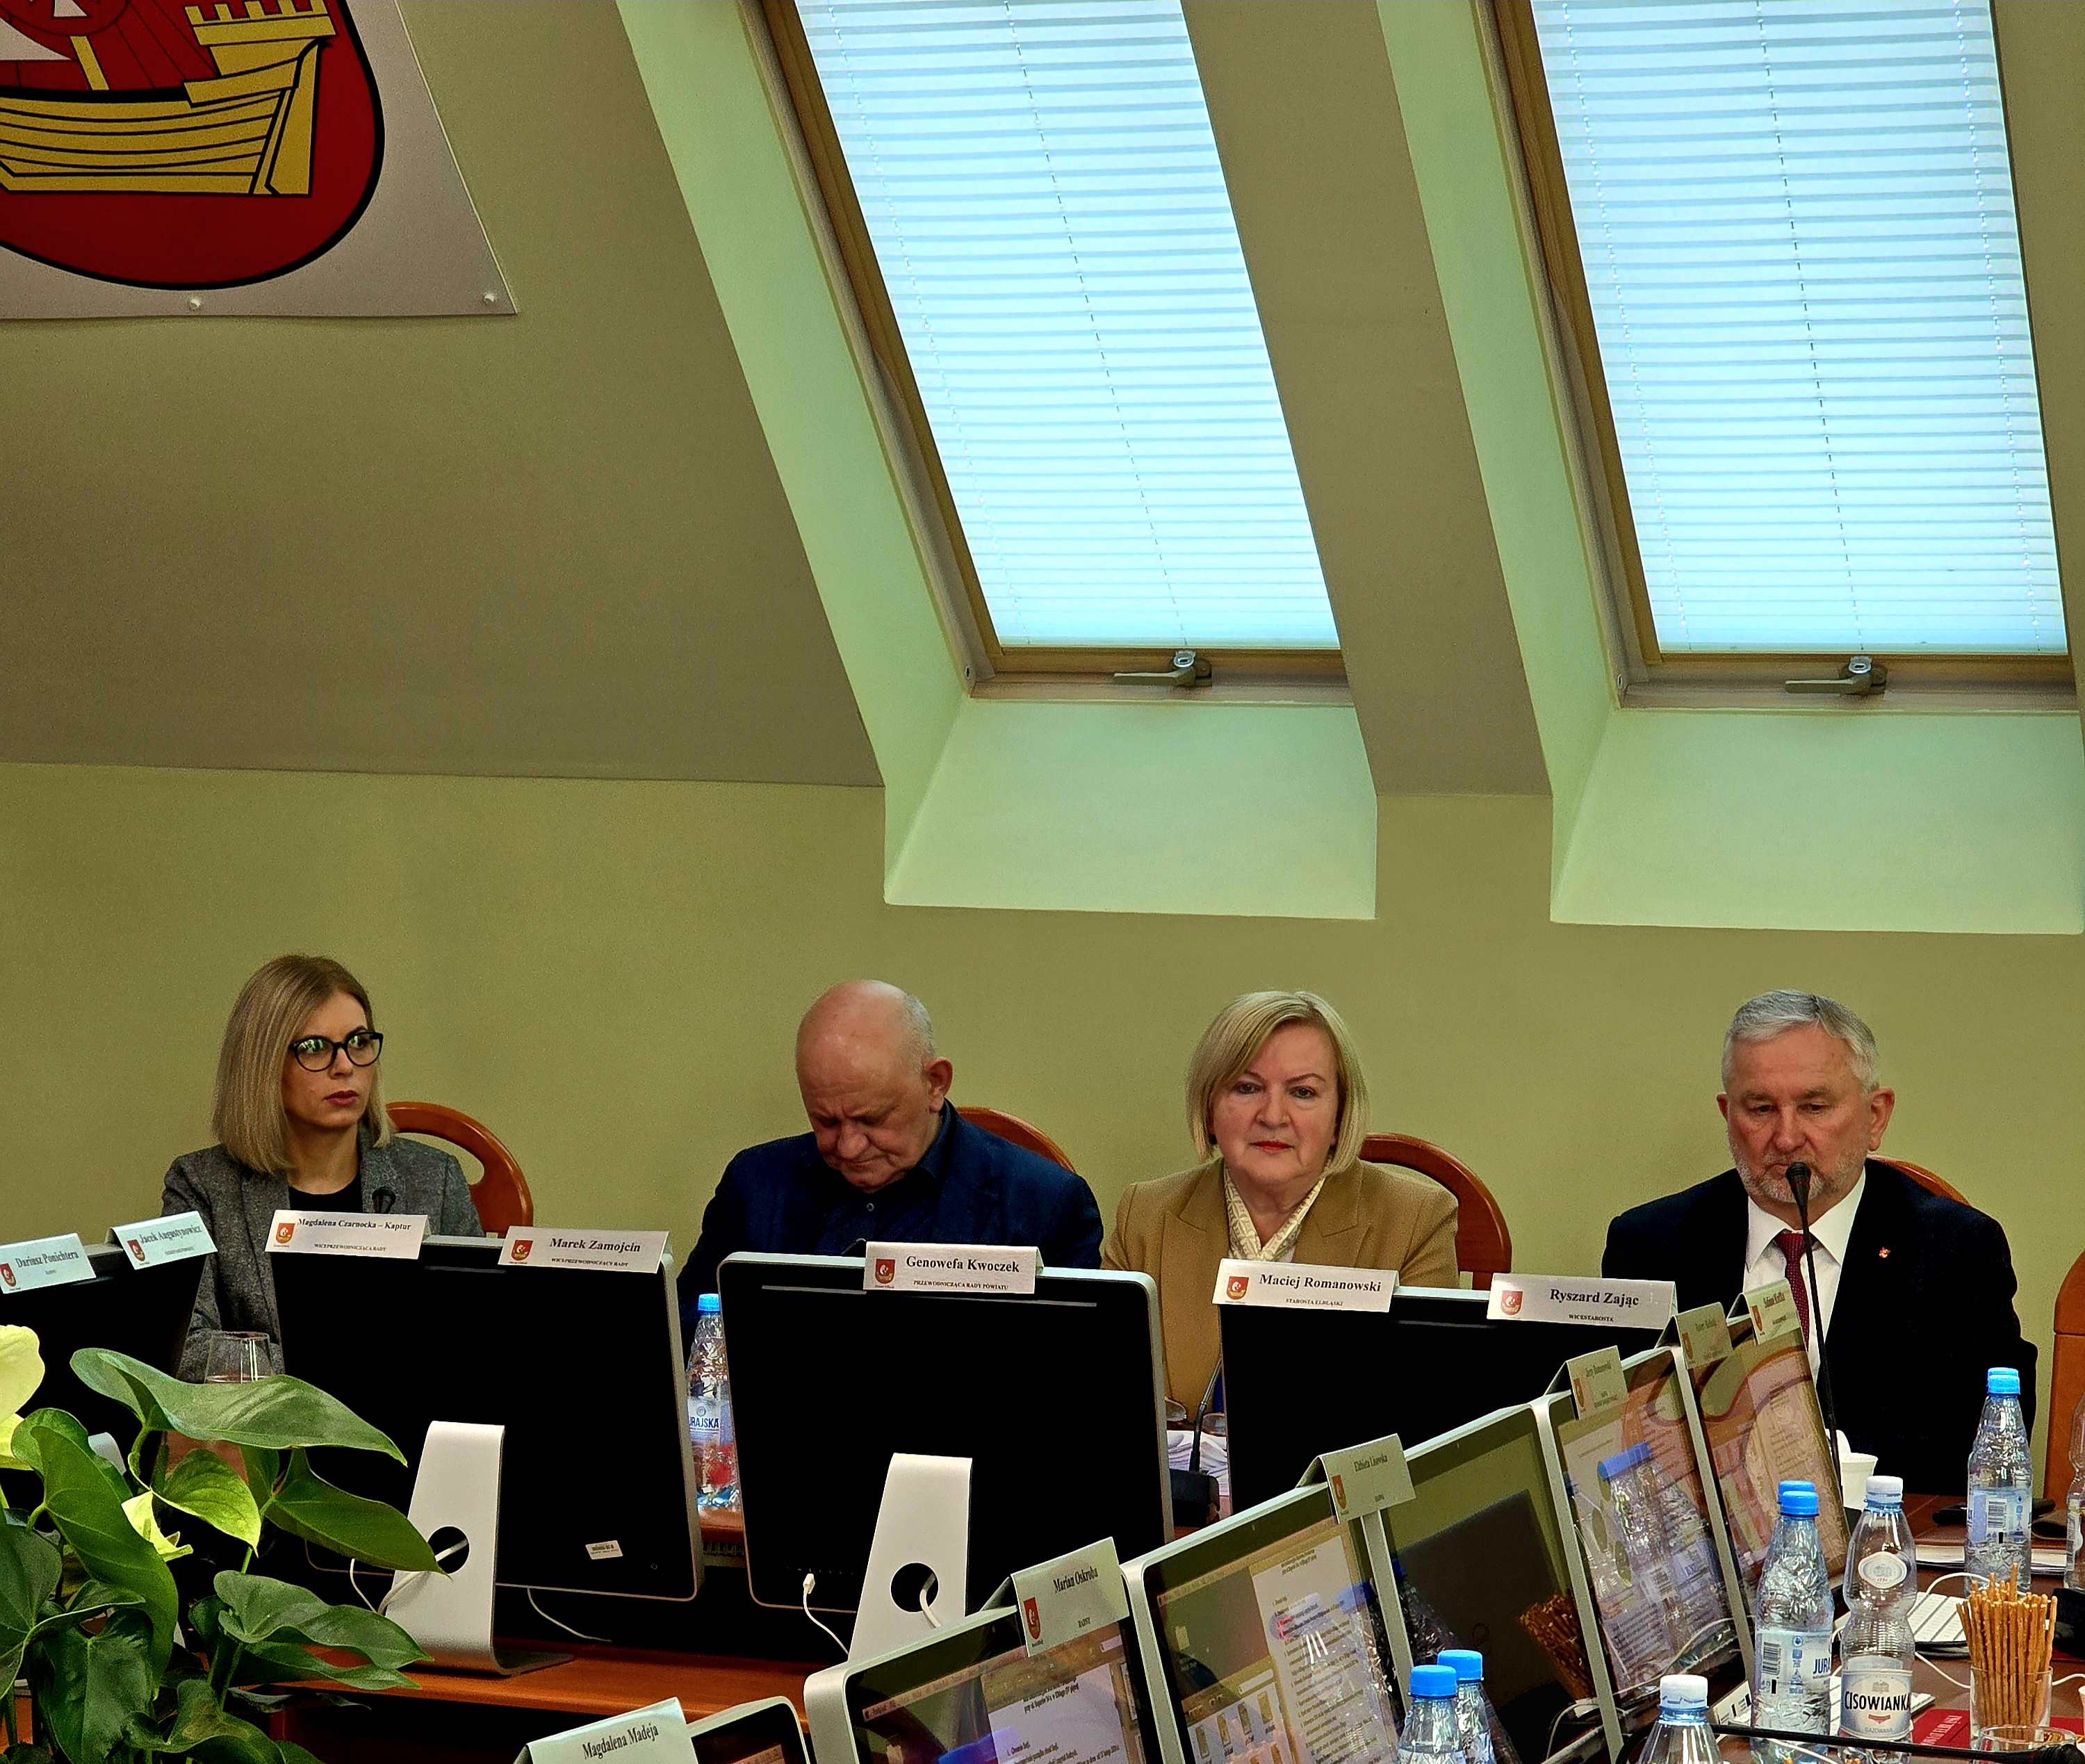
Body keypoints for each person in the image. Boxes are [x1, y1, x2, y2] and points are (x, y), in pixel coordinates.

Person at [1603, 990, 2036, 1494]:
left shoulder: (1955, 1250)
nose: (1787, 1138)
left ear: (1875, 1117)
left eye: (1813, 1107)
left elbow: (1982, 1446)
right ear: (1728, 1115)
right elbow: (1615, 1443)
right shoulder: (1650, 1245)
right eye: (1761, 1109)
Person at [1104, 990, 1460, 1410]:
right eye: (1247, 1088)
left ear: (1339, 1117)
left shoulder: (1416, 1221)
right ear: (1210, 1109)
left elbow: (1421, 1411)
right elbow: (1106, 1393)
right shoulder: (1146, 1216)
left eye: (1303, 1093)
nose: (1273, 1116)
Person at [685, 981, 1104, 1325]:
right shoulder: (754, 1185)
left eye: (872, 1120)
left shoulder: (1045, 1205)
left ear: (935, 1084)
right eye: (826, 1122)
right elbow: (688, 1330)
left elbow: (1071, 1368)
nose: (849, 1147)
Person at [163, 954, 481, 1377]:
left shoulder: (434, 1179)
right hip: (272, 1419)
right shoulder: (201, 1186)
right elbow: (184, 1347)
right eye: (314, 1048)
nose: (345, 1066)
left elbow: (479, 1331)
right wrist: (334, 1364)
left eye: (359, 1042)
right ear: (263, 1066)